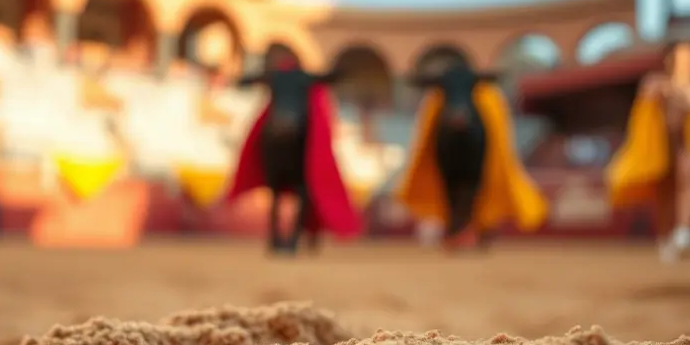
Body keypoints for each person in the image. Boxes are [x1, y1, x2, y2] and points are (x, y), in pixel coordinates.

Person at [396, 54, 548, 250]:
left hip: (477, 151)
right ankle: (457, 230)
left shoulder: (488, 102)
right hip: (449, 149)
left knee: (475, 187)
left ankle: (469, 230)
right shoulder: (436, 109)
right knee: (451, 187)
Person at [223, 54, 362, 255]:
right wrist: (346, 69)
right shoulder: (304, 78)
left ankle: (275, 239)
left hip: (274, 137)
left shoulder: (275, 77)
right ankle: (292, 241)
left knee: (276, 193)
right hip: (298, 139)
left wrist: (237, 77)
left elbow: (247, 81)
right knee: (303, 191)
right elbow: (330, 78)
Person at [605, 41, 690, 262]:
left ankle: (683, 231)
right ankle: (665, 238)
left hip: (687, 143)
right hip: (661, 146)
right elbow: (647, 100)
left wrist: (672, 91)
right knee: (665, 191)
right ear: (668, 60)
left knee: (687, 175)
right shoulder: (654, 81)